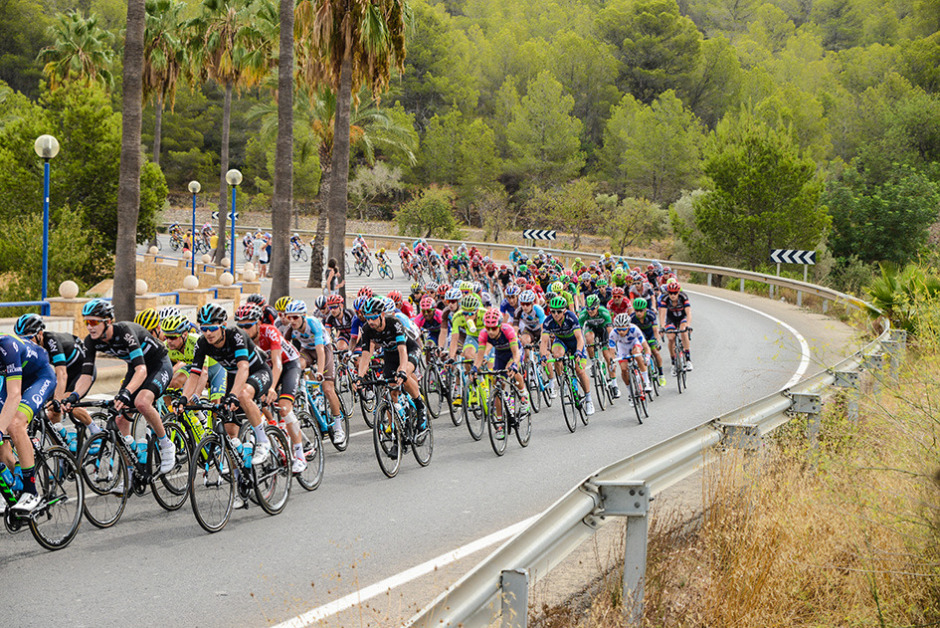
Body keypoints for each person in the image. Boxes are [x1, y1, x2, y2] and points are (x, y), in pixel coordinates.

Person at [62, 299, 177, 477]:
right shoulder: (91, 341)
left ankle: (166, 444)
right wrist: (74, 396)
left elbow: (142, 369)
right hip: (136, 368)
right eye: (86, 322)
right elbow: (86, 375)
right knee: (119, 420)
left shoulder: (124, 332)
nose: (89, 327)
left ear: (108, 321)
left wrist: (126, 393)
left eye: (93, 322)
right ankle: (131, 470)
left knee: (142, 402)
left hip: (157, 365)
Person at [235, 304, 307, 474]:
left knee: (284, 407)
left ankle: (300, 456)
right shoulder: (241, 339)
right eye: (241, 325)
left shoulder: (270, 331)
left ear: (258, 323)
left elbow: (278, 363)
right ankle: (274, 429)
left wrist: (272, 388)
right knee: (253, 399)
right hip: (264, 369)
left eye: (248, 325)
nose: (244, 329)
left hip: (288, 364)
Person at [13, 313, 101, 451]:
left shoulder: (51, 341)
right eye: (22, 339)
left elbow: (62, 374)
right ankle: (61, 455)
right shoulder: (30, 349)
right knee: (52, 415)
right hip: (66, 370)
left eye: (29, 338)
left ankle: (96, 431)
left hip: (81, 371)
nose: (26, 342)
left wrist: (58, 400)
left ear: (40, 333)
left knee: (67, 401)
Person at [354, 298, 428, 439]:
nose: (370, 322)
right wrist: (359, 377)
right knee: (390, 392)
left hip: (409, 349)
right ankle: (397, 435)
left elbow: (402, 351)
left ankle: (420, 406)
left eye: (373, 318)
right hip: (389, 354)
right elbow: (365, 355)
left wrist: (401, 370)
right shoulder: (367, 329)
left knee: (404, 375)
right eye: (367, 318)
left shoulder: (394, 323)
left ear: (382, 315)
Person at [0, 334, 56, 513]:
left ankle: (31, 491)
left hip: (40, 377)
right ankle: (10, 481)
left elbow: (14, 394)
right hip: (14, 380)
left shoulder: (6, 345)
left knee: (15, 424)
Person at [283, 300, 345, 445]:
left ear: (303, 316)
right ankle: (309, 392)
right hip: (307, 351)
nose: (292, 320)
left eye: (295, 317)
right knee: (297, 365)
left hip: (324, 348)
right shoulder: (290, 328)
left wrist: (320, 371)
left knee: (328, 388)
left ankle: (338, 428)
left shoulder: (313, 324)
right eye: (289, 317)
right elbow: (284, 350)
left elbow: (321, 352)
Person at [540, 295, 595, 415]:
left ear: (564, 310)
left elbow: (580, 338)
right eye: (552, 311)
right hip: (561, 342)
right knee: (557, 356)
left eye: (559, 311)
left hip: (575, 343)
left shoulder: (571, 317)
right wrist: (543, 356)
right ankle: (563, 380)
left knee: (579, 370)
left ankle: (589, 399)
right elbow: (544, 341)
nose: (555, 314)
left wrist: (579, 352)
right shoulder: (548, 321)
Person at [610, 312, 653, 393]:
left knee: (636, 353)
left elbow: (646, 347)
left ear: (628, 327)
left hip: (634, 343)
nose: (621, 332)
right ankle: (630, 392)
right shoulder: (613, 333)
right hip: (622, 347)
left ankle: (646, 382)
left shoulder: (635, 329)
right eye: (618, 329)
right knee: (623, 369)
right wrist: (613, 362)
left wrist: (647, 357)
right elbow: (612, 350)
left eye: (623, 329)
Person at [658, 281, 693, 375]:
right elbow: (662, 314)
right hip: (671, 319)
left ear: (678, 292)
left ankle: (688, 359)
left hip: (682, 317)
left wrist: (688, 325)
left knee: (684, 332)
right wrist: (662, 327)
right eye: (670, 293)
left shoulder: (683, 297)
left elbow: (689, 312)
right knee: (670, 338)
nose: (672, 295)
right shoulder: (665, 299)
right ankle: (673, 362)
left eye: (675, 293)